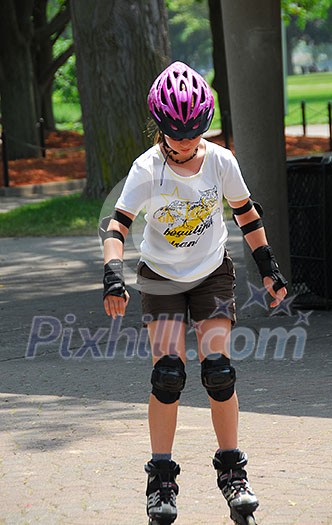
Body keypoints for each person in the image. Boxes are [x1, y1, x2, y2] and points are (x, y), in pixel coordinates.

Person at [100, 61, 287, 525]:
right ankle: (161, 479)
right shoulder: (147, 167)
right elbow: (117, 225)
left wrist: (269, 269)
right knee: (167, 375)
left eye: (193, 133)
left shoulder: (221, 161)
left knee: (219, 372)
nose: (184, 143)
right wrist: (112, 275)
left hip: (211, 274)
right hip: (161, 277)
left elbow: (247, 214)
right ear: (159, 127)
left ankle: (233, 473)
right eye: (175, 134)